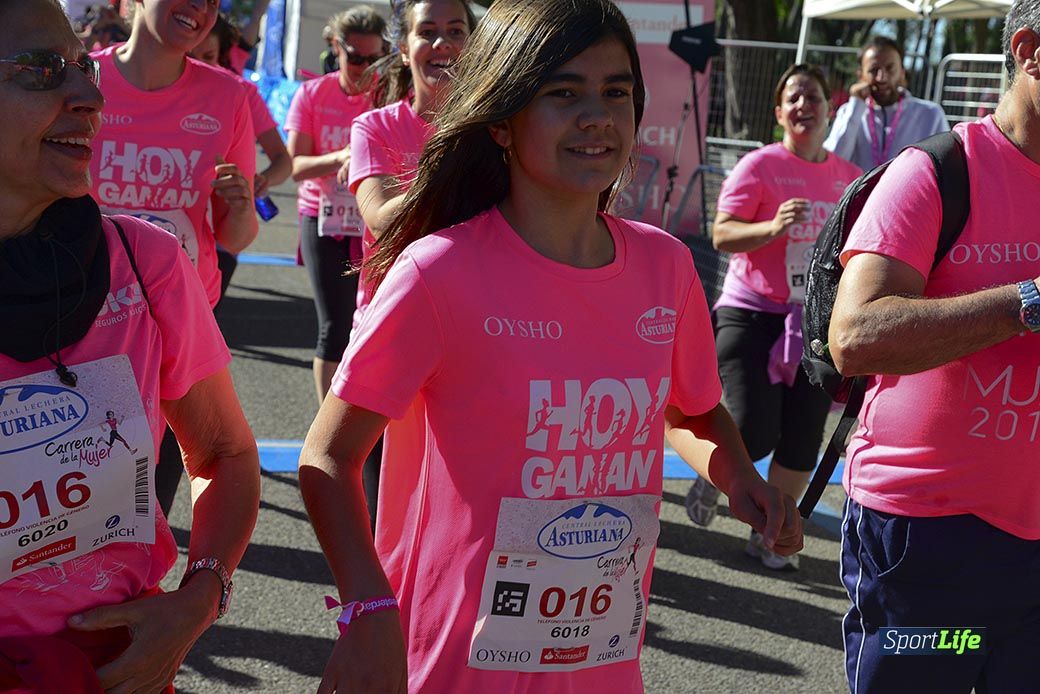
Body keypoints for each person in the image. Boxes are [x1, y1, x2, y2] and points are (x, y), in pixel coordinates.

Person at [298, 1, 802, 691]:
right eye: (563, 93)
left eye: (616, 91)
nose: (597, 115)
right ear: (502, 123)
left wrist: (740, 478)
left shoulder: (665, 268)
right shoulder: (437, 271)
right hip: (450, 663)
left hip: (602, 663)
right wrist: (367, 610)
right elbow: (328, 458)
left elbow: (686, 413)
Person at [0, 1, 259, 690]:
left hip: (117, 669)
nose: (89, 96)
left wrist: (199, 600)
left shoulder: (147, 262)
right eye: (41, 71)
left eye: (84, 69)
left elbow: (227, 453)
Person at [829, 1, 1040, 690]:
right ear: (1029, 50)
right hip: (931, 538)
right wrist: (1027, 301)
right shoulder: (939, 170)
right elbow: (855, 336)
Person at [683, 64, 861, 571]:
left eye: (815, 98)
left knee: (805, 434)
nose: (805, 106)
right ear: (780, 112)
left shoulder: (850, 179)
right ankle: (712, 474)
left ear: (831, 109)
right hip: (751, 312)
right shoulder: (759, 166)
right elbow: (721, 235)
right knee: (753, 429)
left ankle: (773, 532)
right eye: (795, 98)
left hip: (815, 324)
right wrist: (772, 225)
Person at [90, 0, 259, 517]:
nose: (200, 9)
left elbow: (238, 235)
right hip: (84, 314)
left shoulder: (228, 95)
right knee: (81, 487)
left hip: (176, 322)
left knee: (150, 503)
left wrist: (241, 206)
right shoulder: (82, 76)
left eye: (213, 1)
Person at [343, 0, 476, 532]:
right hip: (391, 335)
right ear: (404, 47)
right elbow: (379, 217)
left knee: (462, 511)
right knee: (388, 517)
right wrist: (447, 162)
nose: (442, 43)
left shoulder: (500, 130)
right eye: (427, 32)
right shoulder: (374, 128)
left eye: (455, 31)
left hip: (480, 336)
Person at [285, 6, 386, 405]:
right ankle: (328, 422)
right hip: (323, 217)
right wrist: (343, 157)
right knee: (335, 324)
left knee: (372, 324)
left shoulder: (386, 95)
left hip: (373, 218)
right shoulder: (312, 94)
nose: (363, 67)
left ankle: (363, 411)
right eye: (355, 57)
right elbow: (295, 166)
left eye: (373, 59)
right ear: (335, 48)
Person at [190, 12, 291, 305]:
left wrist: (260, 181)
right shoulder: (155, 85)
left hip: (219, 243)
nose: (195, 64)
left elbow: (283, 160)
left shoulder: (240, 92)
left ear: (222, 55)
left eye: (207, 55)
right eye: (189, 54)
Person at [824, 35, 949, 171]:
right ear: (860, 75)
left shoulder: (930, 114)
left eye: (890, 68)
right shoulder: (849, 111)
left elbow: (946, 166)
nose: (881, 77)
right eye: (873, 70)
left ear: (902, 72)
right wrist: (855, 106)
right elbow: (833, 163)